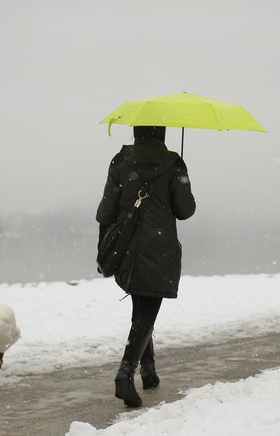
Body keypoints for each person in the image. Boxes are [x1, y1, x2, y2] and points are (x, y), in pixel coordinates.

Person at [96, 125, 196, 407]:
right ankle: (124, 374)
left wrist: (105, 248)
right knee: (147, 311)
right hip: (159, 247)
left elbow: (105, 211)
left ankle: (148, 369)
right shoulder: (173, 163)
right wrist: (181, 175)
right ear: (161, 134)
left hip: (127, 248)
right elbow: (185, 210)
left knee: (142, 306)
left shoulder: (119, 162)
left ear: (136, 131)